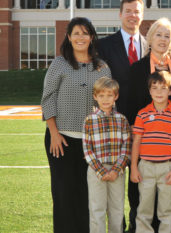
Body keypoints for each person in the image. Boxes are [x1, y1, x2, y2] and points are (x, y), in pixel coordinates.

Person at [41, 17, 111, 233]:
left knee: (87, 196)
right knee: (63, 196)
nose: (80, 37)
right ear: (69, 37)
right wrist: (53, 133)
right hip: (60, 138)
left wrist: (96, 144)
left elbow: (107, 105)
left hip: (89, 142)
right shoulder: (60, 63)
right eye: (76, 33)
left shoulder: (102, 67)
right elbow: (48, 98)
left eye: (85, 33)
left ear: (91, 37)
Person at [97, 0, 147, 232]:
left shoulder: (149, 44)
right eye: (128, 11)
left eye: (137, 11)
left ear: (142, 15)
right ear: (120, 14)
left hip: (143, 125)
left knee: (138, 180)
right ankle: (117, 226)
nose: (132, 16)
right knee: (114, 180)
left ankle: (137, 226)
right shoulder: (104, 46)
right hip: (113, 124)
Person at [126, 17, 171, 231]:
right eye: (159, 34)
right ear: (149, 38)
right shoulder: (138, 69)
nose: (163, 39)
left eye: (167, 35)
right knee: (142, 204)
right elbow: (131, 106)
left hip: (170, 147)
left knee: (167, 202)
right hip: (145, 148)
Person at [130, 71, 171, 233]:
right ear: (149, 91)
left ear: (170, 91)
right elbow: (137, 143)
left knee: (168, 211)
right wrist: (134, 167)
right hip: (145, 167)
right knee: (144, 211)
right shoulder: (142, 114)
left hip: (168, 167)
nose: (159, 92)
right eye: (155, 88)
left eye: (163, 88)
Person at [83, 76, 131, 233]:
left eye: (109, 95)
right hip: (96, 172)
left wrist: (116, 169)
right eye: (101, 95)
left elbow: (126, 147)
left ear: (115, 96)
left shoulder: (122, 120)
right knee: (97, 210)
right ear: (95, 96)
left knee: (117, 211)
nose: (105, 99)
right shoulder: (89, 120)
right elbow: (87, 150)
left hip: (118, 172)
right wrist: (101, 171)